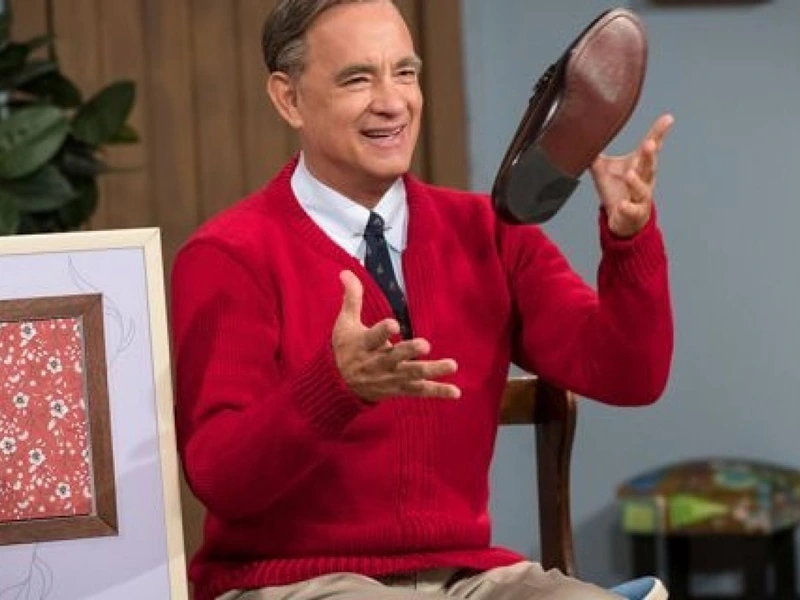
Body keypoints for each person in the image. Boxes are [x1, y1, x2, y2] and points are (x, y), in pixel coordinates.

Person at [169, 1, 674, 599]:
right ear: (289, 99)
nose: (392, 102)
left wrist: (628, 240)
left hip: (468, 577)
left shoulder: (491, 233)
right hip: (294, 580)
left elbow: (629, 376)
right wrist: (335, 387)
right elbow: (220, 477)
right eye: (358, 79)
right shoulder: (227, 255)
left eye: (405, 73)